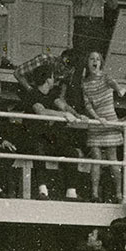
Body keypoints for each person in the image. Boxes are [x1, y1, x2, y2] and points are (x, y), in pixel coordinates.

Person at [19, 65, 86, 200]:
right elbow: (41, 111)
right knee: (39, 149)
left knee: (71, 152)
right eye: (53, 76)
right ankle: (42, 191)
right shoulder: (32, 94)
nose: (54, 79)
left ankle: (71, 192)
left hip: (49, 139)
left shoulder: (51, 95)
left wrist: (77, 115)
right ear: (48, 79)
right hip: (32, 139)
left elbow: (64, 106)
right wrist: (63, 115)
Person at [82, 50, 124, 202]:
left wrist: (119, 90)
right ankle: (94, 194)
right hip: (97, 121)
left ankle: (119, 194)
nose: (95, 61)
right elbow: (87, 105)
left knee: (113, 158)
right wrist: (97, 118)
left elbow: (113, 83)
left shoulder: (106, 77)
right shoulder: (85, 83)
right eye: (91, 58)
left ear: (101, 62)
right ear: (88, 62)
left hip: (110, 119)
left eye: (97, 59)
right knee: (96, 159)